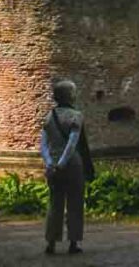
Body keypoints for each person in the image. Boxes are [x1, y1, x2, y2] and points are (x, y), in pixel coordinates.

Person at [40, 79, 94, 256]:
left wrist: (50, 163)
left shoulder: (49, 116)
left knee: (54, 203)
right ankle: (73, 242)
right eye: (74, 91)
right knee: (75, 203)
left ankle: (51, 243)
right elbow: (72, 144)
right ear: (70, 95)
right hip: (72, 165)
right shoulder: (75, 116)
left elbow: (43, 144)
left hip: (52, 164)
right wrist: (62, 164)